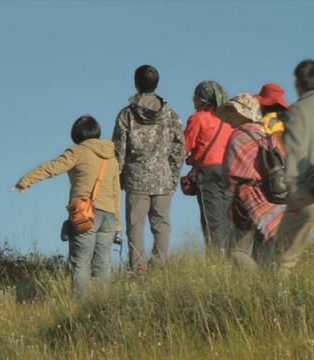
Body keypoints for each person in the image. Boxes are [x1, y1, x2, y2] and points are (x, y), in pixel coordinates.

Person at [15, 116, 121, 297]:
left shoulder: (78, 152)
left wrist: (26, 180)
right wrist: (118, 224)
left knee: (81, 262)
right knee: (103, 263)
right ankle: (105, 304)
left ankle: (81, 306)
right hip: (109, 216)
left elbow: (52, 167)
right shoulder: (111, 157)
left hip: (85, 215)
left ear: (76, 135)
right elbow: (116, 192)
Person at [112, 65, 185, 272]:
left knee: (136, 225)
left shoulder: (126, 115)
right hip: (162, 177)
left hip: (135, 179)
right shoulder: (171, 115)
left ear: (136, 83)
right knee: (161, 223)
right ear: (157, 83)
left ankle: (138, 270)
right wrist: (172, 176)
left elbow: (119, 150)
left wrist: (119, 177)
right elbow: (180, 148)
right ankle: (159, 266)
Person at [218, 93, 286, 271]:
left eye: (233, 111)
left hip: (247, 198)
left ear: (243, 113)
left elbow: (229, 172)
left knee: (235, 251)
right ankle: (268, 287)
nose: (230, 115)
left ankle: (255, 281)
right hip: (272, 198)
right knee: (266, 251)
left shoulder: (238, 136)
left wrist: (230, 198)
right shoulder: (268, 134)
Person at [273, 59, 314, 275]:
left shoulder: (298, 110)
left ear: (298, 83)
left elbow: (296, 150)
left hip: (307, 189)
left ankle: (278, 304)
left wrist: (293, 188)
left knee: (282, 256)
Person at [184, 81, 235, 252]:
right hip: (229, 172)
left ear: (203, 100)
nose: (192, 99)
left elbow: (184, 146)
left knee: (211, 221)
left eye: (195, 96)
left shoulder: (197, 118)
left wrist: (190, 159)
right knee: (226, 220)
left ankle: (217, 262)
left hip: (208, 173)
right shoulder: (229, 121)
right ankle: (231, 259)